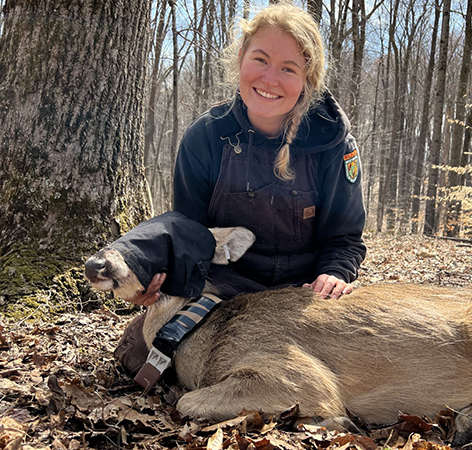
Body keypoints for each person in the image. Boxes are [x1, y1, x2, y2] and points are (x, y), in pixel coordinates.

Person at [114, 2, 366, 373]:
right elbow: (188, 234)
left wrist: (334, 275)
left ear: (307, 79)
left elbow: (344, 239)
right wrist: (157, 279)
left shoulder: (335, 146)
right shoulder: (206, 136)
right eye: (260, 60)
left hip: (303, 295)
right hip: (224, 292)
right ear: (240, 60)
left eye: (288, 68)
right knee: (136, 358)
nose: (269, 79)